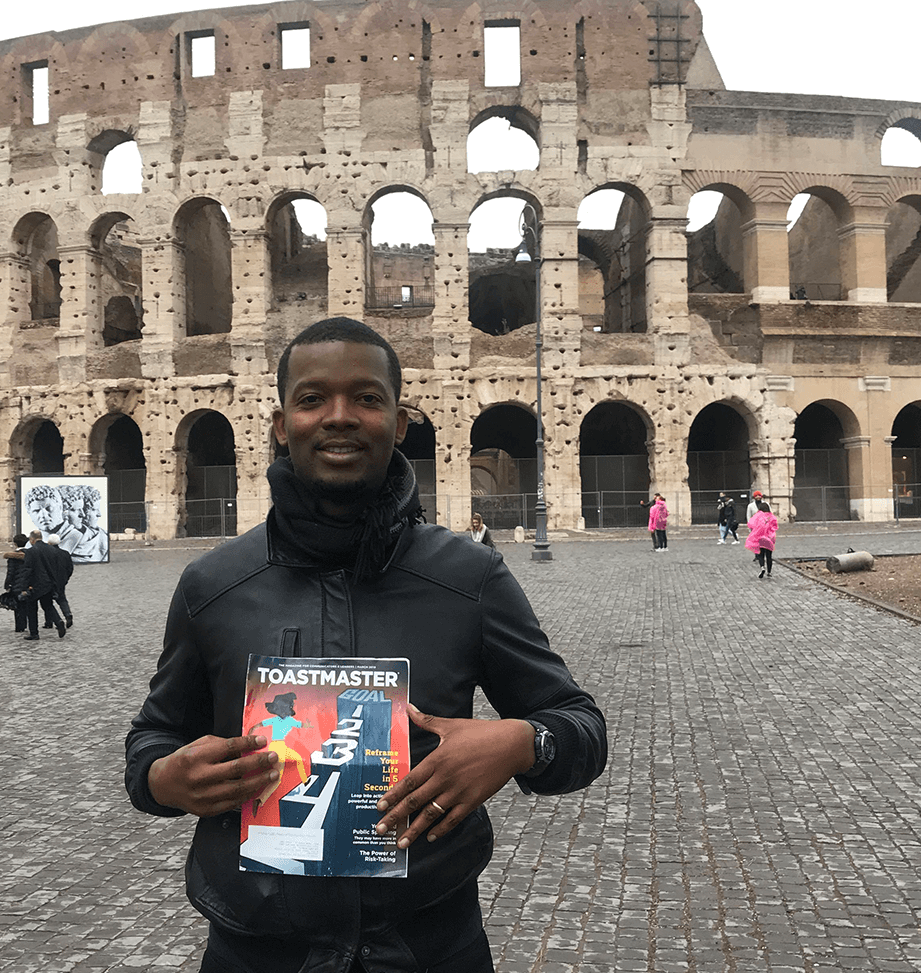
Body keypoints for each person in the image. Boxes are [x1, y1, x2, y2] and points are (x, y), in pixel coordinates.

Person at [125, 316, 607, 972]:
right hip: (255, 955)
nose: (339, 417)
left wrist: (523, 743)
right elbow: (152, 739)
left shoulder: (468, 577)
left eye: (367, 398)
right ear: (280, 423)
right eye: (313, 398)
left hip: (430, 950)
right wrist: (166, 777)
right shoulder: (213, 585)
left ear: (401, 421)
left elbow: (580, 727)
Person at [18, 530, 66, 640]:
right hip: (49, 583)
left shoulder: (30, 551)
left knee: (32, 608)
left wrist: (24, 586)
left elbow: (28, 570)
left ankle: (34, 633)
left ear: (32, 539)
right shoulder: (51, 550)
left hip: (35, 584)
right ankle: (58, 622)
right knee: (48, 605)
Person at [2, 532, 33, 634]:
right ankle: (30, 624)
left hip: (16, 584)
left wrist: (7, 584)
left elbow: (10, 572)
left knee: (18, 607)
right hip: (28, 583)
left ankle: (20, 626)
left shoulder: (12, 557)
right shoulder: (31, 555)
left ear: (15, 544)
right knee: (28, 605)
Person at [45, 532, 75, 629]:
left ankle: (49, 622)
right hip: (61, 580)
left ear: (49, 542)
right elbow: (70, 568)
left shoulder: (47, 554)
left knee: (48, 601)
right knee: (62, 598)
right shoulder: (65, 553)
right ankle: (67, 614)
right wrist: (66, 578)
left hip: (49, 580)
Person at [746, 498, 778, 579]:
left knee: (761, 554)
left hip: (760, 537)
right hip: (770, 538)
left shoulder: (758, 516)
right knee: (769, 556)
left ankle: (762, 567)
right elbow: (775, 527)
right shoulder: (772, 516)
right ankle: (769, 572)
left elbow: (751, 524)